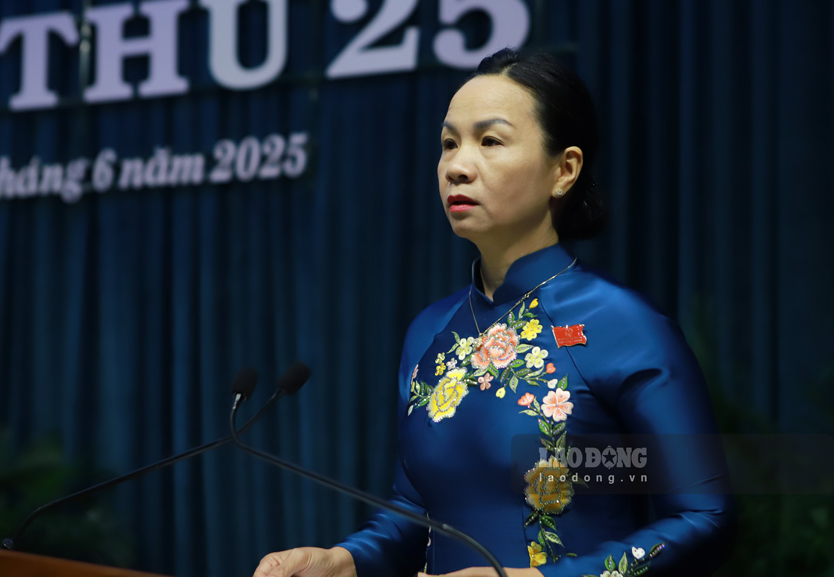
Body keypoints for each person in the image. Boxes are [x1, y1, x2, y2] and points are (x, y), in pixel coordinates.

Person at [252, 49, 734, 577]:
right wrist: (342, 561)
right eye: (448, 143)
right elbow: (415, 516)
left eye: (490, 141)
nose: (457, 165)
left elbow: (703, 517)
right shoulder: (430, 332)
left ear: (564, 169)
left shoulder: (623, 324)